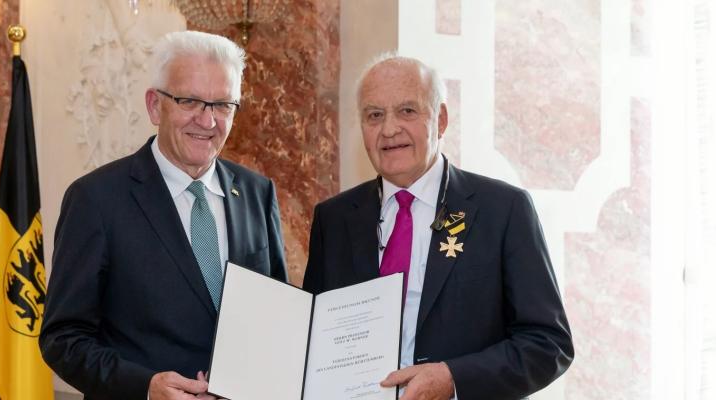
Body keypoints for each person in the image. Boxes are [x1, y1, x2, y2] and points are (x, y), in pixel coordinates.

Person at [302, 55, 574, 399]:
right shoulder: (335, 219)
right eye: (374, 115)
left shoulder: (503, 210)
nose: (389, 129)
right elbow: (313, 340)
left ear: (440, 120)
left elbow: (548, 344)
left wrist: (453, 379)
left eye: (407, 111)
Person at [40, 30, 288, 400]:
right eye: (190, 101)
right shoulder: (95, 200)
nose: (207, 121)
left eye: (222, 105)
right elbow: (63, 339)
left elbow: (278, 312)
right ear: (155, 106)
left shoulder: (257, 192)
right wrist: (144, 387)